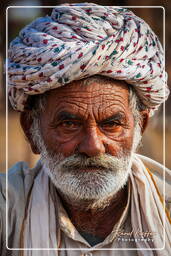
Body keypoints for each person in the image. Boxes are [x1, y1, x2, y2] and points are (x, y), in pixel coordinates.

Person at [0, 3, 171, 256]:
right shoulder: (9, 207)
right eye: (69, 124)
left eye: (111, 124)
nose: (92, 146)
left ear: (140, 127)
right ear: (30, 131)